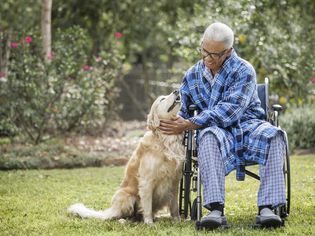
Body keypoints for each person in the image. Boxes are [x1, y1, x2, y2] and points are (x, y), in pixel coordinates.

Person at [159, 22, 286, 229]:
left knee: (275, 135)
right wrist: (168, 124)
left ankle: (268, 208)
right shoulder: (192, 75)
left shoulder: (244, 70)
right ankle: (215, 209)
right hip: (216, 133)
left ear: (229, 52)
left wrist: (190, 123)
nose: (208, 58)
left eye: (215, 55)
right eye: (204, 51)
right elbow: (182, 110)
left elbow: (230, 111)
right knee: (207, 136)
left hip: (248, 126)